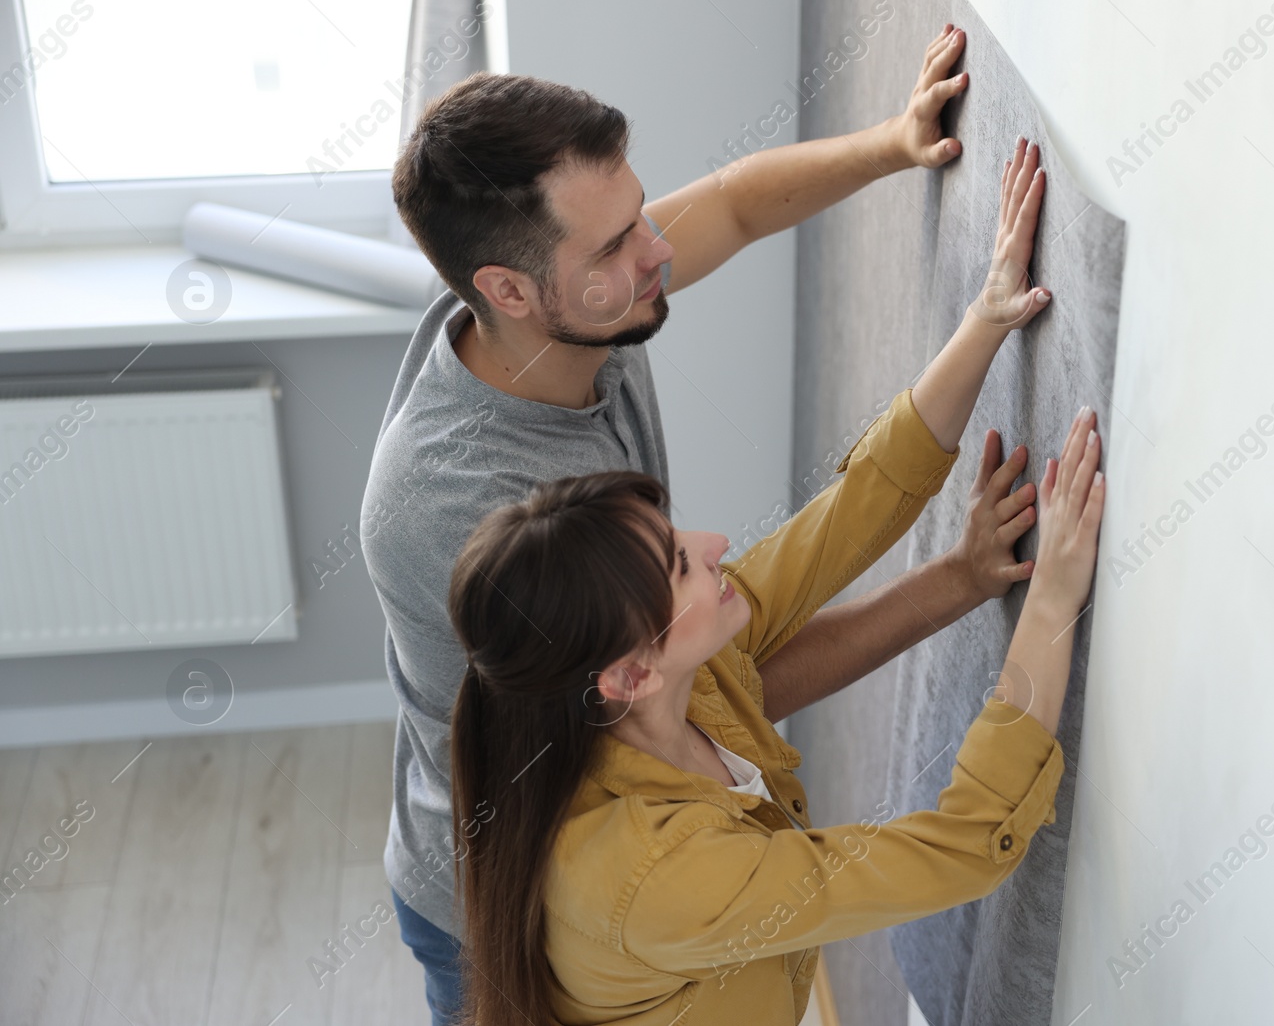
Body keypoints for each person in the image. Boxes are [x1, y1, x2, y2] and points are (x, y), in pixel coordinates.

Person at [364, 25, 996, 1024]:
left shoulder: (561, 310)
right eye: (615, 243)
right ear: (509, 290)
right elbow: (724, 692)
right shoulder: (461, 506)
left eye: (637, 215)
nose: (655, 249)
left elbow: (736, 205)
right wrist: (951, 583)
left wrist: (896, 141)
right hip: (500, 908)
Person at [444, 139, 1105, 1025]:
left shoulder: (666, 671)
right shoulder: (652, 877)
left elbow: (843, 519)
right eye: (680, 561)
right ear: (629, 673)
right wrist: (1055, 601)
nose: (714, 544)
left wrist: (986, 319)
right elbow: (961, 846)